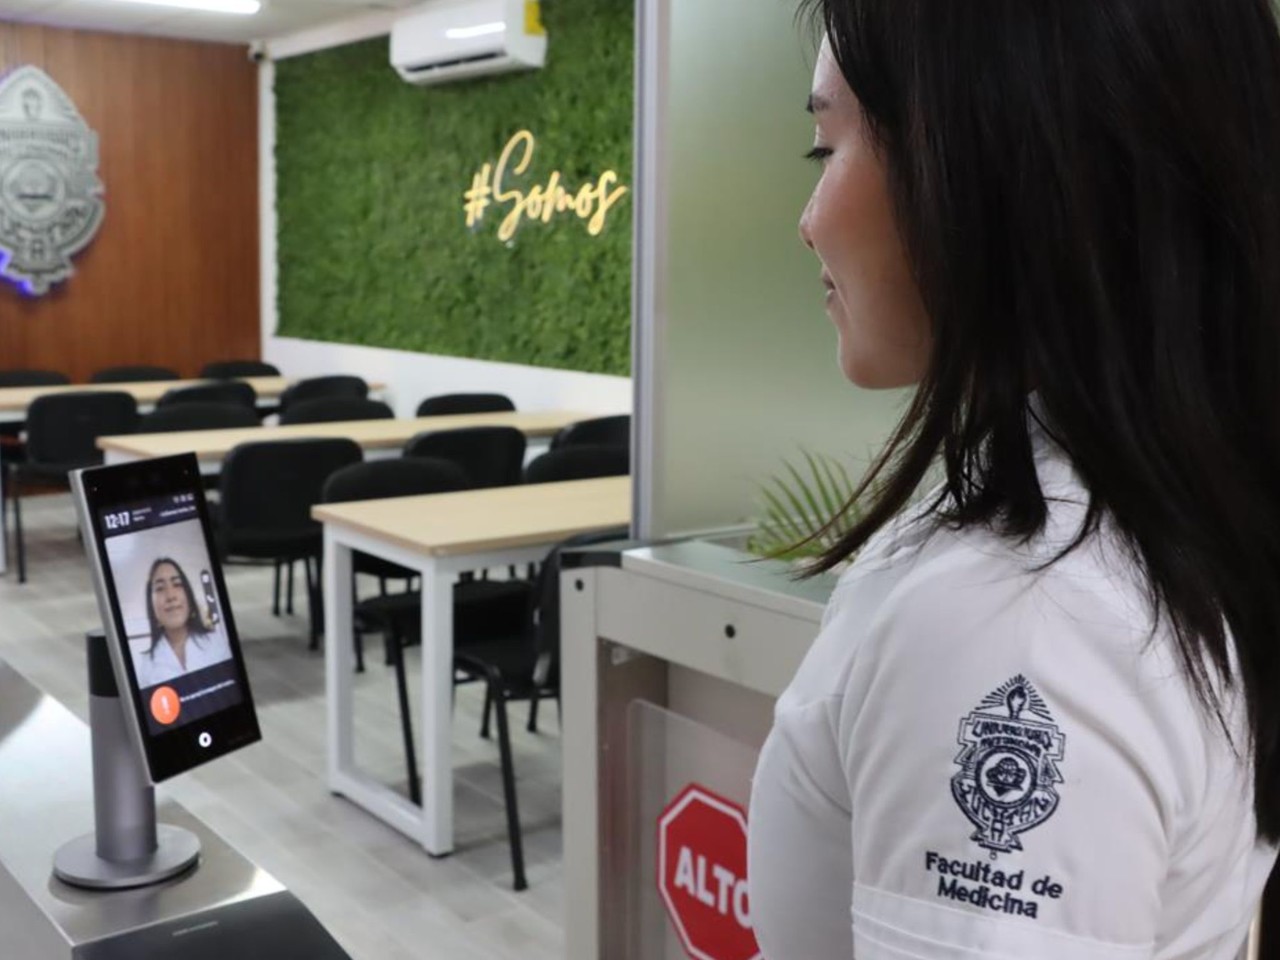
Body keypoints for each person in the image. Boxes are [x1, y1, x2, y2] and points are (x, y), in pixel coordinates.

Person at [746, 2, 1280, 959]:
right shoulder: (1170, 520)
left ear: (996, 170)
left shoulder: (1017, 621)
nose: (808, 220)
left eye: (824, 150)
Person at [133, 557, 232, 688]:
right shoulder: (145, 666)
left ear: (189, 596)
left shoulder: (216, 642)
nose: (171, 596)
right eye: (160, 588)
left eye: (177, 584)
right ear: (152, 607)